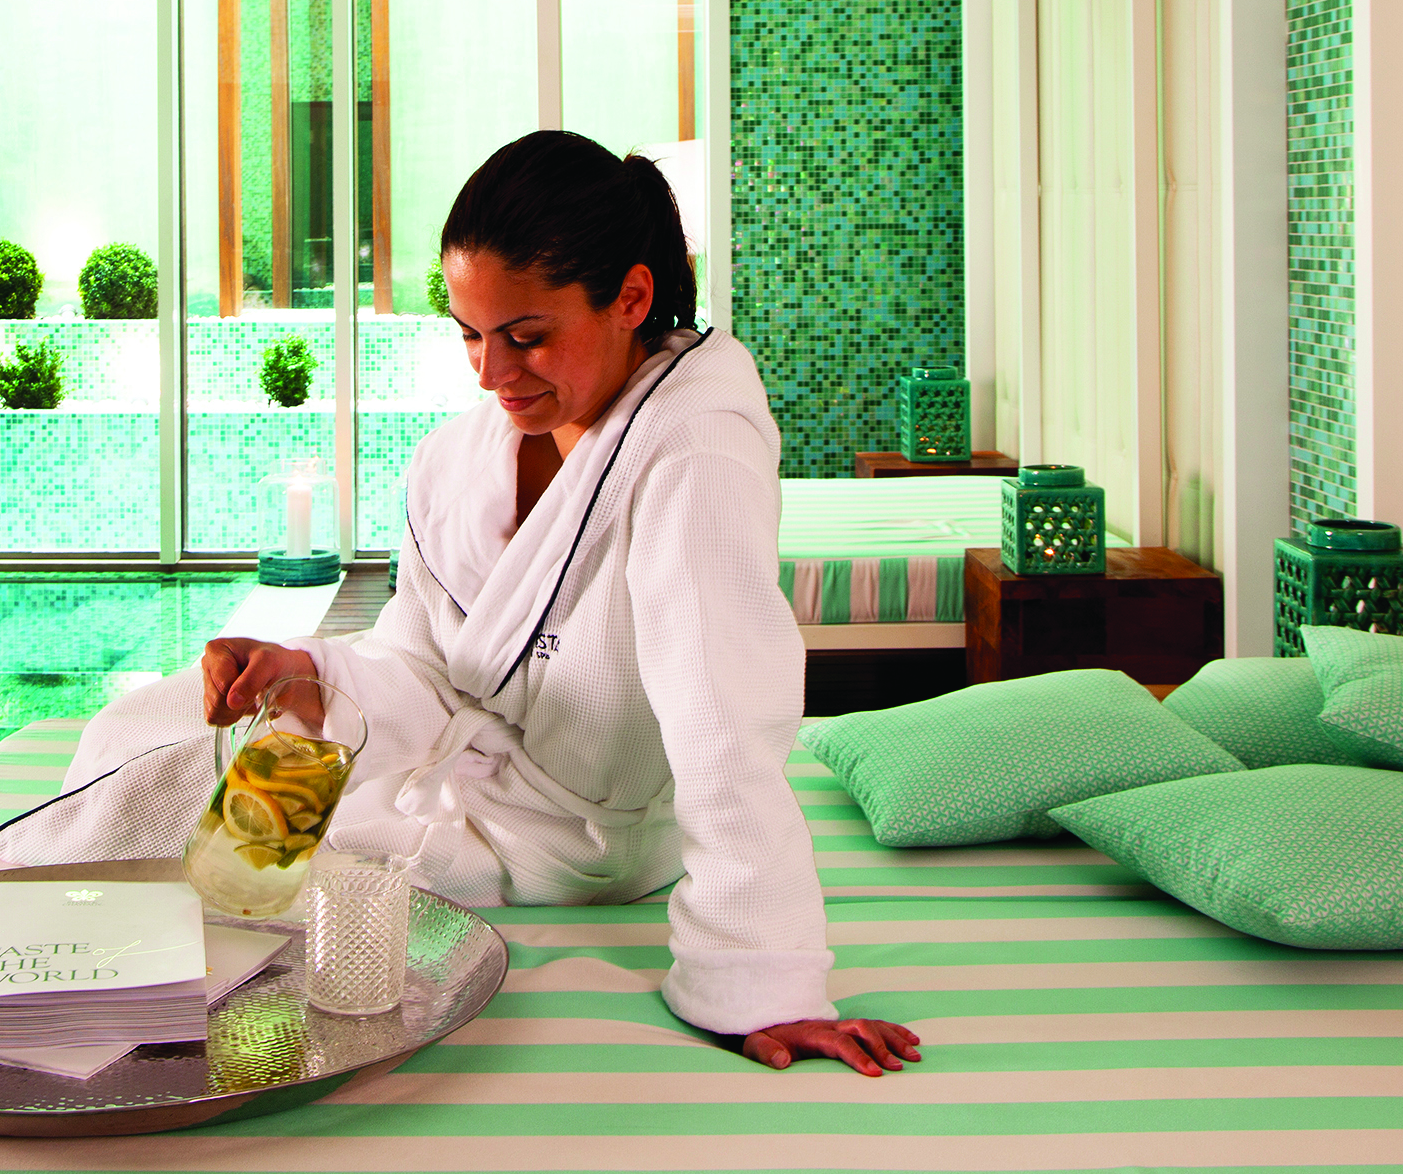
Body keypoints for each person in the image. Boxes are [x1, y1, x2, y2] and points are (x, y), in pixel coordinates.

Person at [197, 130, 918, 1077]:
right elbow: (421, 660)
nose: (493, 375)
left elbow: (723, 722)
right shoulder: (458, 457)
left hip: (561, 840)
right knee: (173, 737)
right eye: (470, 335)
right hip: (445, 772)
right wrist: (306, 673)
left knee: (203, 853)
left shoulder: (691, 455)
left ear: (631, 298)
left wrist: (762, 979)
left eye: (526, 337)